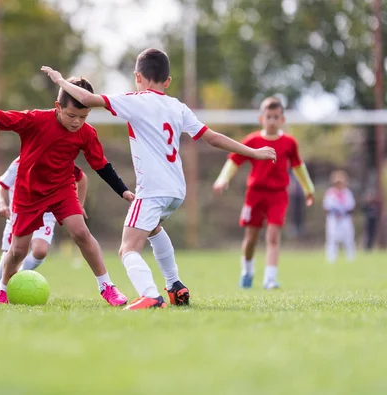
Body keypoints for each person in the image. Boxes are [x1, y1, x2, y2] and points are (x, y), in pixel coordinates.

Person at [41, 48, 277, 310]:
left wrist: (61, 81)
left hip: (152, 190)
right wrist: (253, 152)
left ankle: (151, 295)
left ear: (137, 76)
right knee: (152, 228)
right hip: (176, 191)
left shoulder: (135, 99)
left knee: (127, 249)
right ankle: (175, 285)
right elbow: (212, 138)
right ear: (167, 81)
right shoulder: (178, 106)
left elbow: (85, 97)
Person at [0, 77, 132, 306]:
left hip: (62, 190)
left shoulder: (87, 133)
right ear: (58, 107)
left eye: (83, 116)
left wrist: (123, 191)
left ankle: (107, 286)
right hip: (28, 193)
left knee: (80, 232)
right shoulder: (35, 119)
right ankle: (1, 290)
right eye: (71, 115)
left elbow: (101, 165)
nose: (77, 122)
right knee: (18, 251)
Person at [213, 96, 315, 289]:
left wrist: (309, 189)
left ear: (282, 120)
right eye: (268, 116)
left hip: (278, 195)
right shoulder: (252, 140)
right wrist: (222, 179)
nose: (272, 121)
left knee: (274, 235)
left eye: (276, 117)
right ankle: (247, 271)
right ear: (262, 118)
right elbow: (234, 161)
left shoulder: (289, 143)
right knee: (251, 238)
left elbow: (298, 167)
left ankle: (270, 279)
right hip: (255, 194)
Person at [0, 157, 88, 301]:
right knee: (11, 254)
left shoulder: (57, 159)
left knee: (40, 251)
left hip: (46, 215)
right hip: (19, 214)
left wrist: (79, 205)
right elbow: (1, 186)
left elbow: (81, 178)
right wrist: (1, 203)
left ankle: (17, 279)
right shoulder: (19, 163)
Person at [323, 170, 356, 263]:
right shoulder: (330, 193)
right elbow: (327, 207)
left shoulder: (347, 193)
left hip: (345, 219)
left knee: (349, 239)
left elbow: (351, 206)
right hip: (333, 219)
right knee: (332, 239)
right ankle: (331, 259)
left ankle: (350, 258)